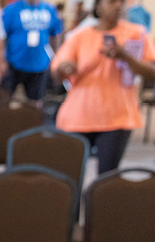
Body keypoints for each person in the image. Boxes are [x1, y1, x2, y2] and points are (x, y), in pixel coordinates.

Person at [51, 0, 155, 174]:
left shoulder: (136, 33)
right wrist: (64, 68)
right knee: (70, 177)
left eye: (121, 2)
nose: (118, 6)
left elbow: (151, 72)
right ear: (98, 6)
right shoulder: (79, 36)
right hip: (78, 116)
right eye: (112, 1)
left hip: (117, 117)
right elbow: (56, 73)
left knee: (106, 179)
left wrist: (125, 57)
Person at [1, 0, 64, 103]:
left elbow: (56, 34)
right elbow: (2, 37)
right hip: (14, 62)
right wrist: (1, 61)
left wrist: (56, 57)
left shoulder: (49, 10)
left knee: (35, 102)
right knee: (6, 98)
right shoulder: (11, 9)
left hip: (40, 65)